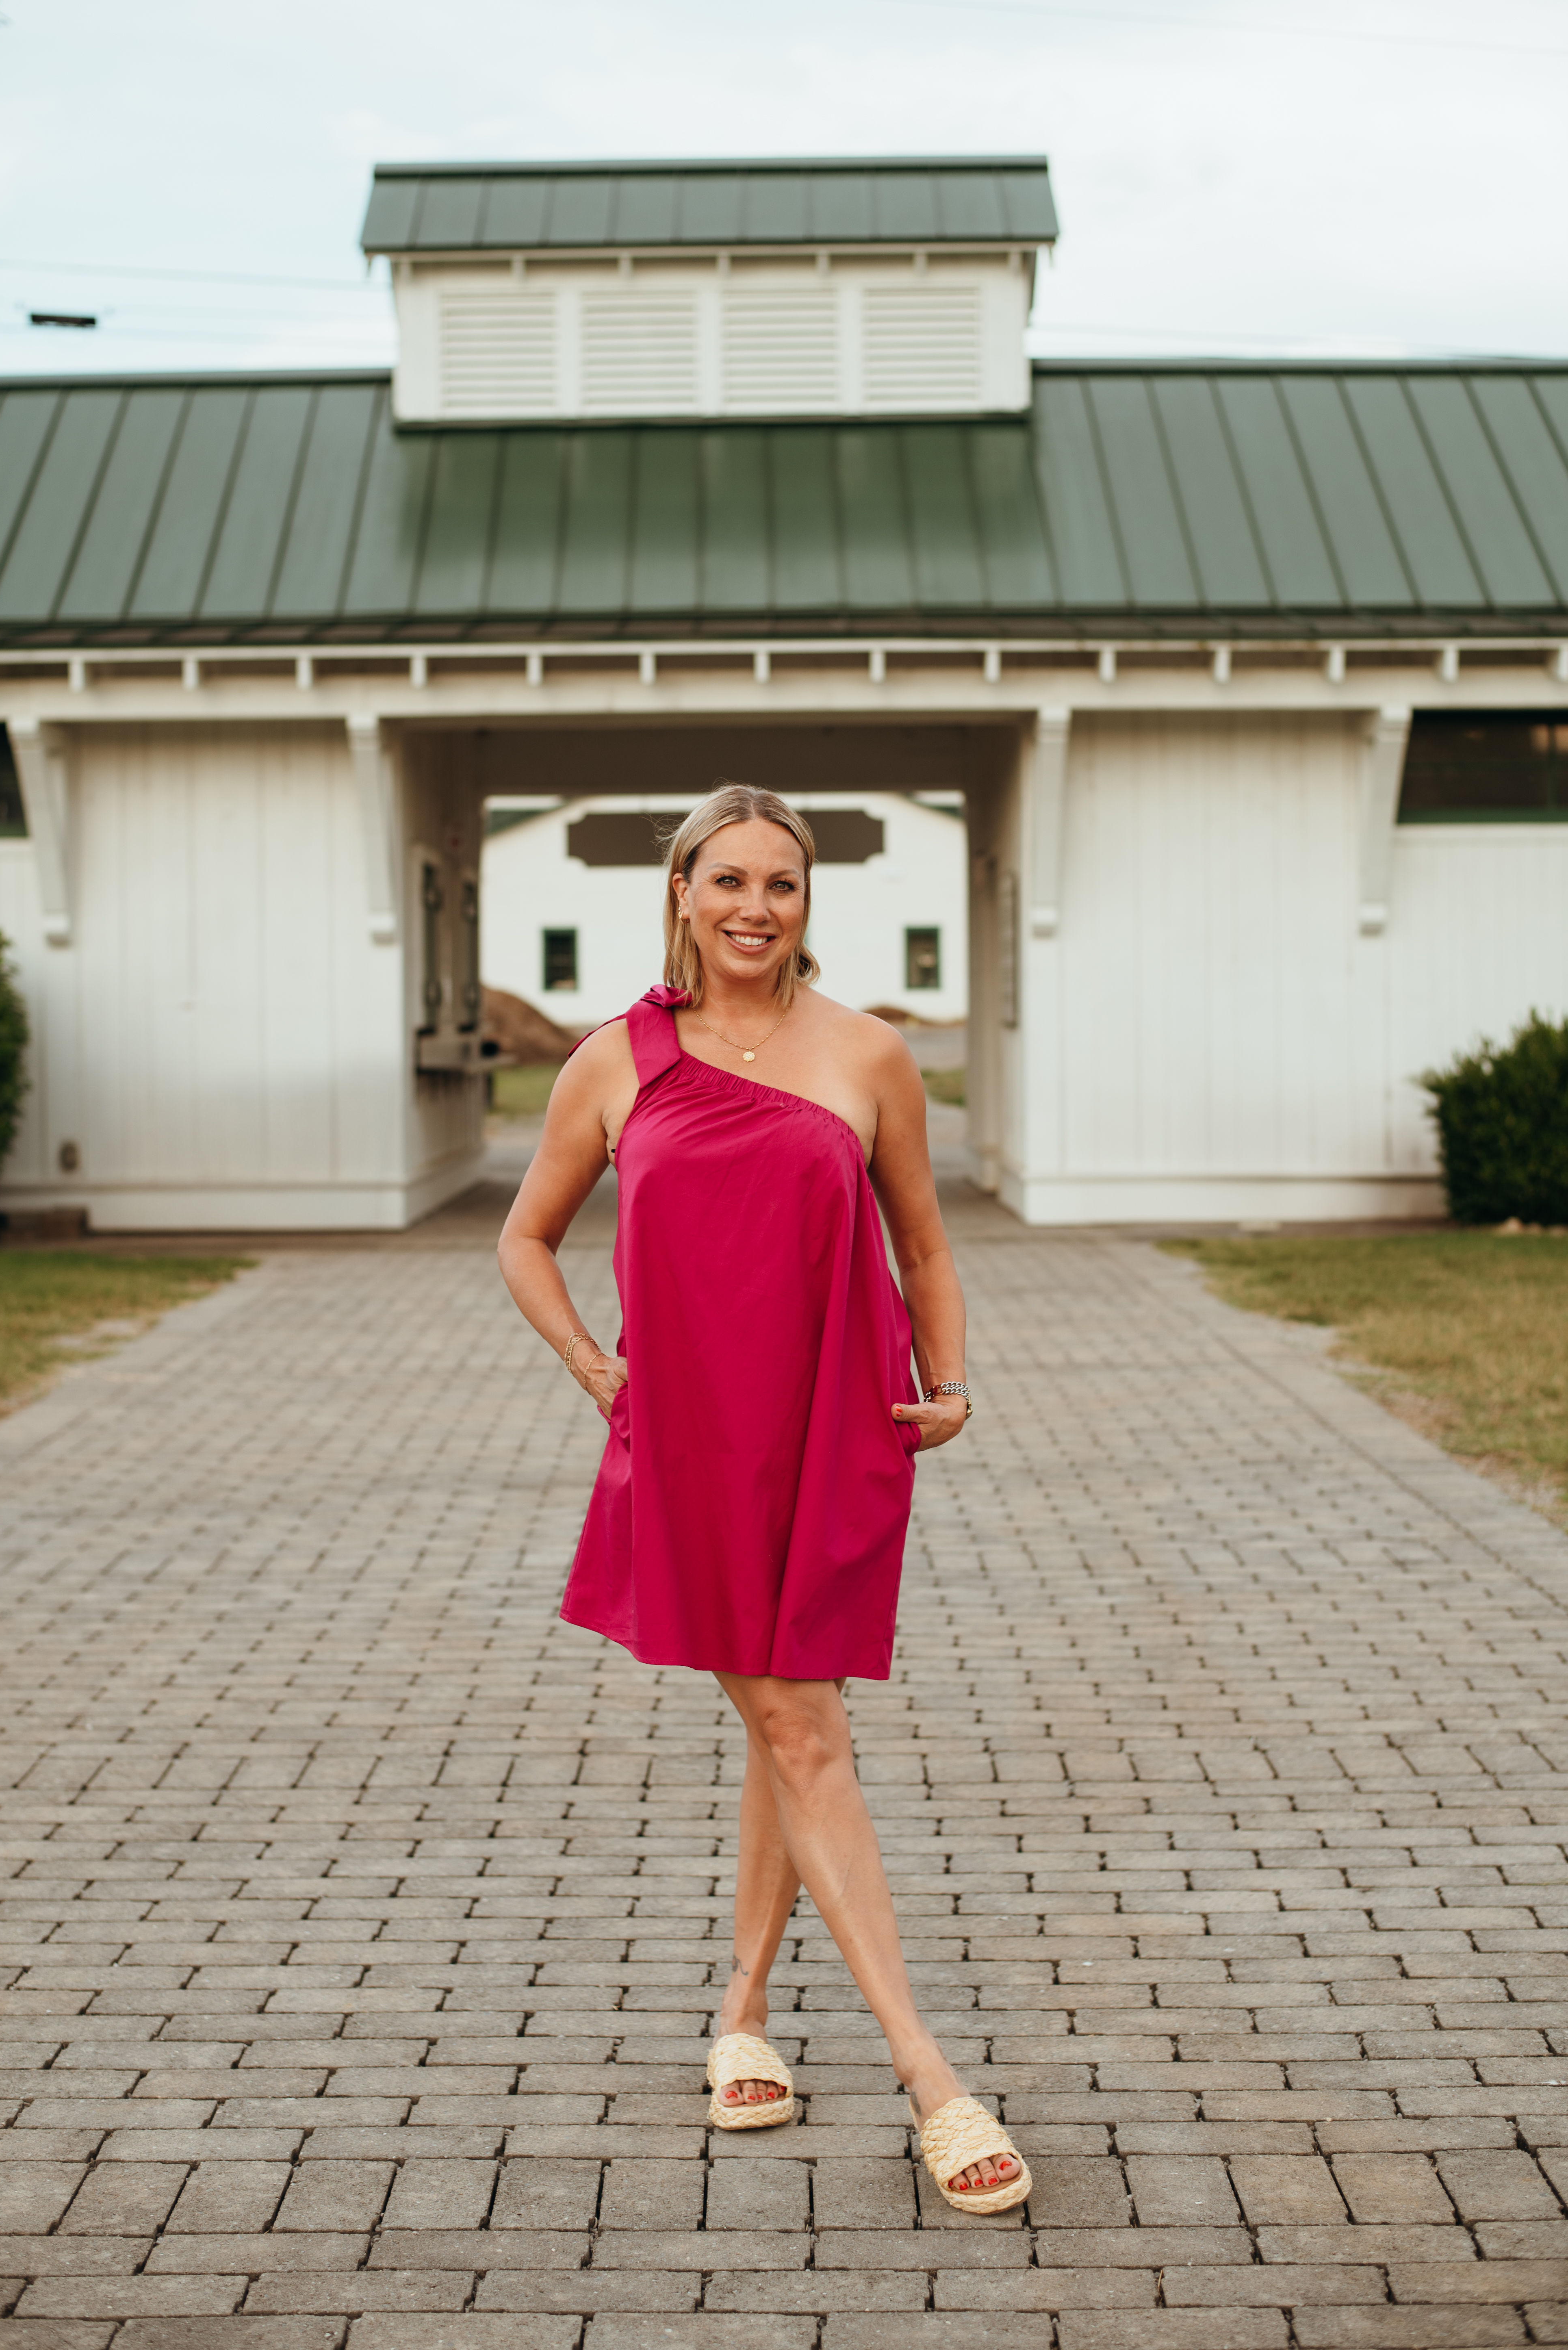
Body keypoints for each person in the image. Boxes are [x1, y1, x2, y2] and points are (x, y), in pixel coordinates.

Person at [497, 783, 1030, 2212]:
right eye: (725, 879)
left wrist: (953, 1377)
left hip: (834, 1430)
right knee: (800, 1727)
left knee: (789, 1716)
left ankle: (742, 2009)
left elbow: (923, 1242)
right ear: (679, 890)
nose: (752, 907)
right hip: (689, 1449)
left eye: (780, 884)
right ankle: (931, 2076)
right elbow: (526, 1236)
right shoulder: (615, 1060)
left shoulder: (868, 1055)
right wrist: (594, 1368)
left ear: (807, 901)